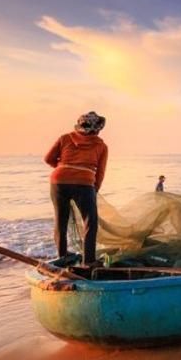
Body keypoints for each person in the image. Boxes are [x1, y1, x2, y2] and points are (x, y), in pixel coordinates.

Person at [44, 111, 108, 265]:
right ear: (97, 129)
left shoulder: (64, 138)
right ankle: (89, 261)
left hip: (58, 182)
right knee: (90, 221)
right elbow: (100, 172)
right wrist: (94, 189)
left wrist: (64, 168)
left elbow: (48, 159)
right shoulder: (101, 145)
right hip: (84, 183)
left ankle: (63, 256)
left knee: (61, 220)